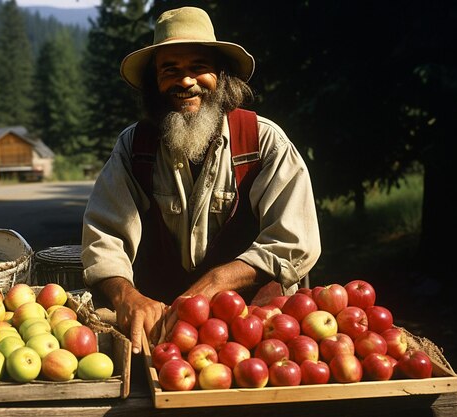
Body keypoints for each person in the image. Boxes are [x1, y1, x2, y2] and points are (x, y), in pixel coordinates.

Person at [81, 6, 321, 354]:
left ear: (221, 76)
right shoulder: (134, 148)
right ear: (154, 82)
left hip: (256, 329)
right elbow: (104, 237)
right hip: (163, 335)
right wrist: (126, 296)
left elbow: (295, 241)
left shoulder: (264, 142)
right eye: (170, 70)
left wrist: (217, 281)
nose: (185, 81)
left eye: (199, 67)